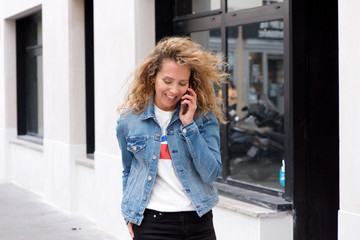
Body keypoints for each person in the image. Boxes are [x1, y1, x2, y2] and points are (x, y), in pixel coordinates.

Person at [116, 36, 228, 240]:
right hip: (151, 224)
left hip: (198, 223)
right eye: (167, 81)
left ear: (190, 84)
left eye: (182, 83)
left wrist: (189, 125)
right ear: (152, 77)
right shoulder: (129, 121)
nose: (174, 90)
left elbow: (211, 173)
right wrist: (129, 215)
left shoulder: (203, 118)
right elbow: (129, 170)